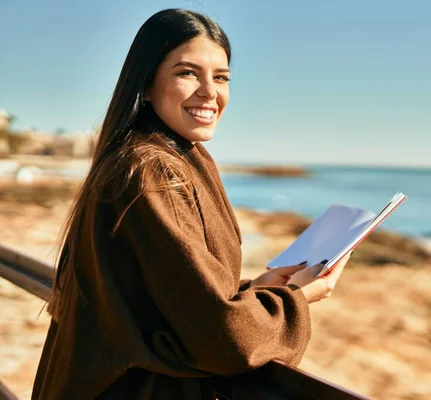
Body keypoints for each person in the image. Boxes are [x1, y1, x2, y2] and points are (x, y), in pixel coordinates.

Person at [32, 8, 350, 400]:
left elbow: (163, 296)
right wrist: (296, 297)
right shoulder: (151, 170)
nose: (210, 92)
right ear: (146, 85)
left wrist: (257, 289)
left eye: (221, 77)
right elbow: (221, 339)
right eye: (186, 73)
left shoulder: (171, 156)